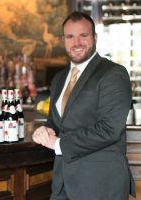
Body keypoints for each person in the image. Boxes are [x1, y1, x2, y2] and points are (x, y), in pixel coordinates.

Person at [32, 11, 136, 200]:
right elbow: (56, 123)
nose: (77, 43)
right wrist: (44, 130)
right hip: (62, 183)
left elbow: (109, 129)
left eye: (83, 36)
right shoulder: (59, 78)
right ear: (63, 40)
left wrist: (59, 144)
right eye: (70, 37)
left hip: (100, 185)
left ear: (95, 38)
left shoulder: (113, 74)